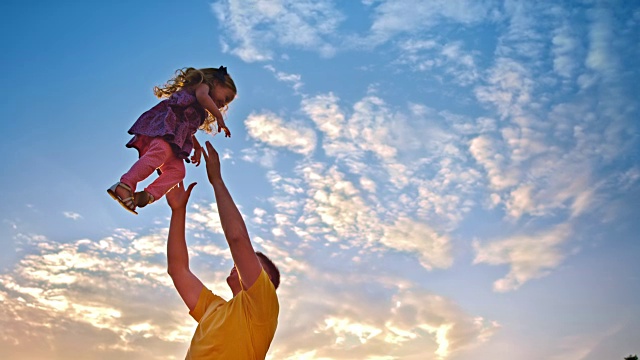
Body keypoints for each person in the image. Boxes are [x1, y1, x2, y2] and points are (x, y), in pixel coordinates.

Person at [165, 141, 280, 359]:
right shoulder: (213, 307)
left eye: (249, 263)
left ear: (268, 282)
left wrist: (216, 181)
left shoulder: (263, 306)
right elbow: (177, 269)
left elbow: (238, 240)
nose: (237, 264)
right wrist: (178, 210)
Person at [108, 66, 237, 214]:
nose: (223, 105)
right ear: (215, 82)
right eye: (226, 98)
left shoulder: (199, 110)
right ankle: (125, 185)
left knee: (178, 171)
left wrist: (197, 147)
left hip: (173, 143)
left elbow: (185, 130)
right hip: (163, 131)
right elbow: (203, 96)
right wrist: (219, 117)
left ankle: (146, 196)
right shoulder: (201, 87)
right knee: (160, 151)